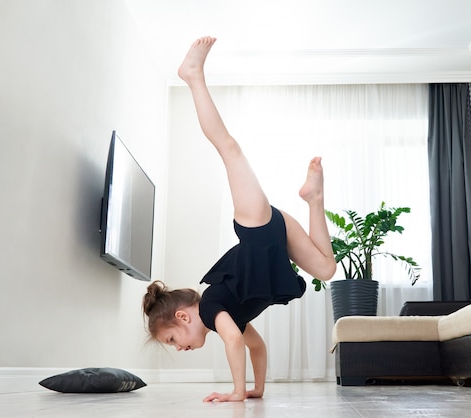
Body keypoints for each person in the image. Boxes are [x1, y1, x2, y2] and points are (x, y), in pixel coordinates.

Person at [142, 36, 336, 403]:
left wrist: (236, 392)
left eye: (172, 340)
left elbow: (235, 341)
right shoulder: (227, 312)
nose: (178, 349)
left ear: (183, 318)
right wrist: (257, 388)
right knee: (326, 270)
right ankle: (314, 199)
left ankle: (193, 75)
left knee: (229, 148)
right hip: (273, 233)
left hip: (259, 229)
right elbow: (256, 347)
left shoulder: (214, 308)